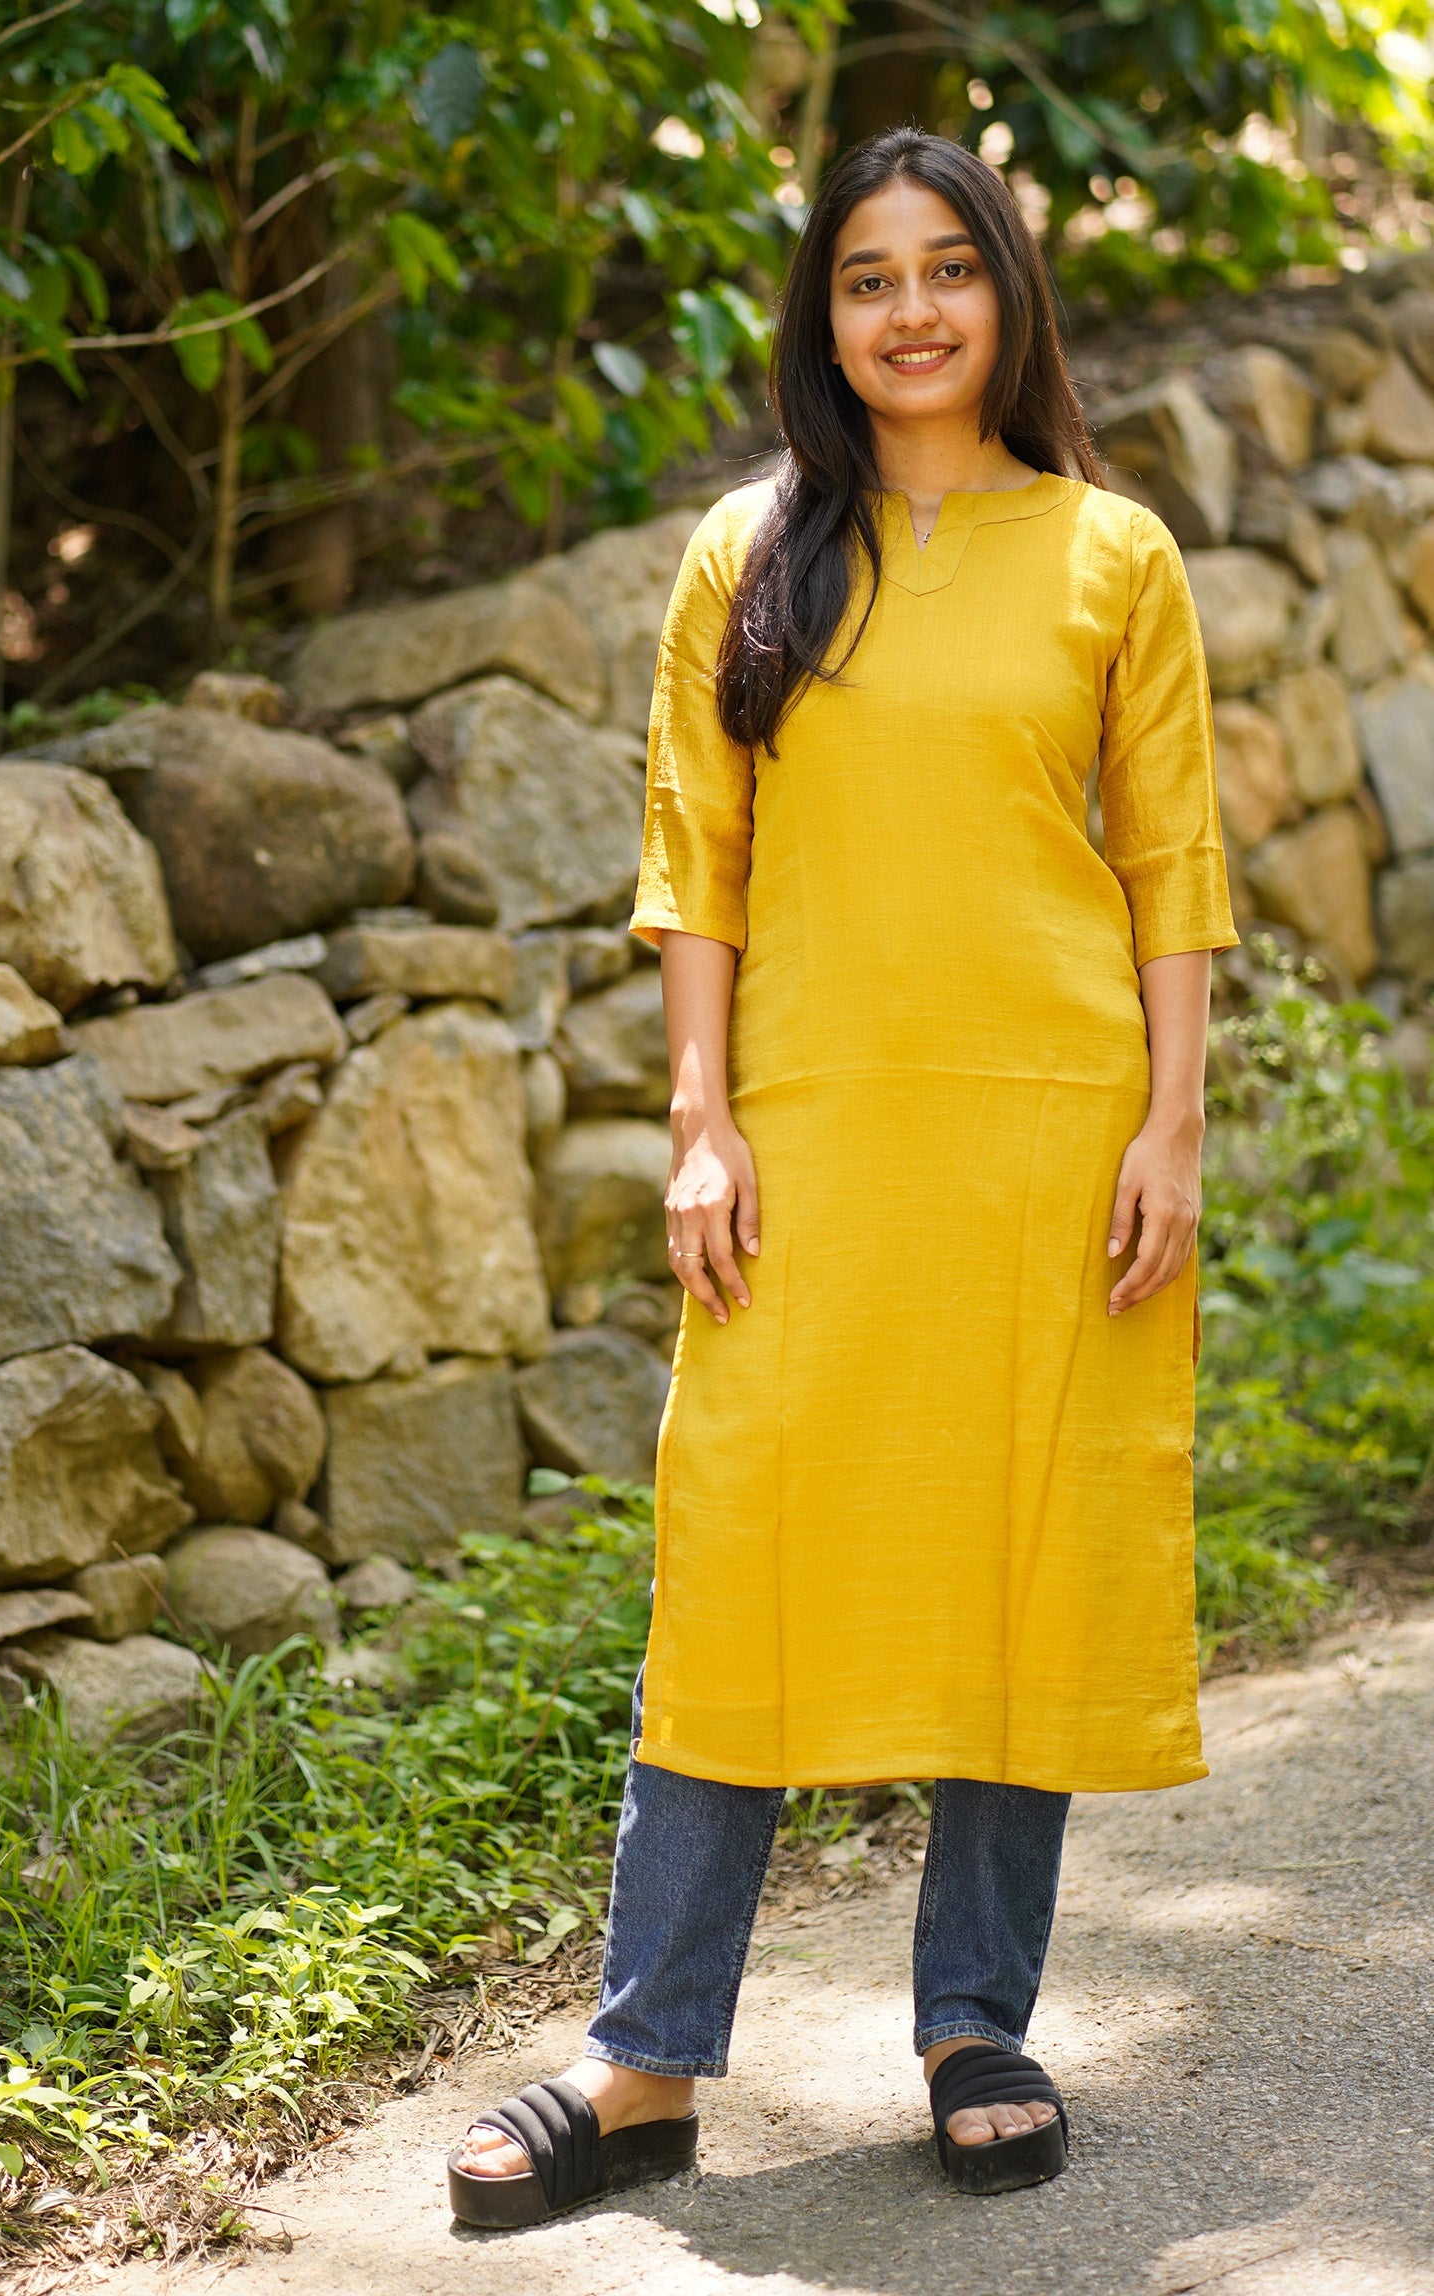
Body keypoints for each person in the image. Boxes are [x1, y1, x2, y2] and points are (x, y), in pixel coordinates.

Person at [448, 126, 1237, 2230]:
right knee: (737, 1549)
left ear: (1007, 292)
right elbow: (690, 856)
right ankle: (642, 2059)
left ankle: (974, 2021)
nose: (910, 309)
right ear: (823, 312)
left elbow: (1171, 860)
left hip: (1051, 1127)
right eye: (868, 275)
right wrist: (698, 1115)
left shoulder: (1113, 554)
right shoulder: (749, 552)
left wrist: (1168, 1124)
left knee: (1017, 1542)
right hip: (805, 1134)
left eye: (947, 267)